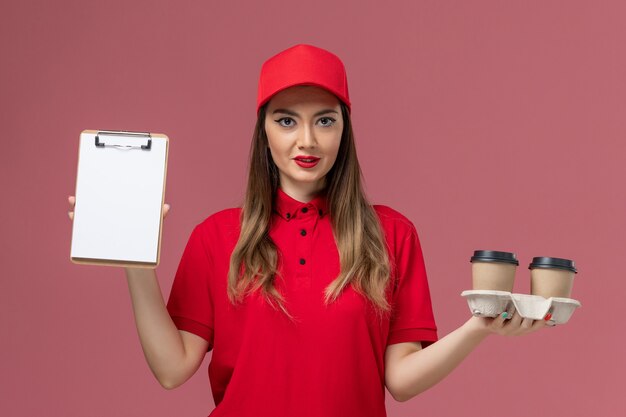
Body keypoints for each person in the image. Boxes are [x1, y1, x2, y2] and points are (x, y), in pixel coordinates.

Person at [68, 44, 546, 417]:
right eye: (286, 121)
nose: (307, 141)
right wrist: (134, 259)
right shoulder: (216, 237)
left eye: (324, 120)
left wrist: (479, 326)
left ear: (344, 130)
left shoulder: (391, 234)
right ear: (265, 133)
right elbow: (172, 370)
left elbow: (400, 381)